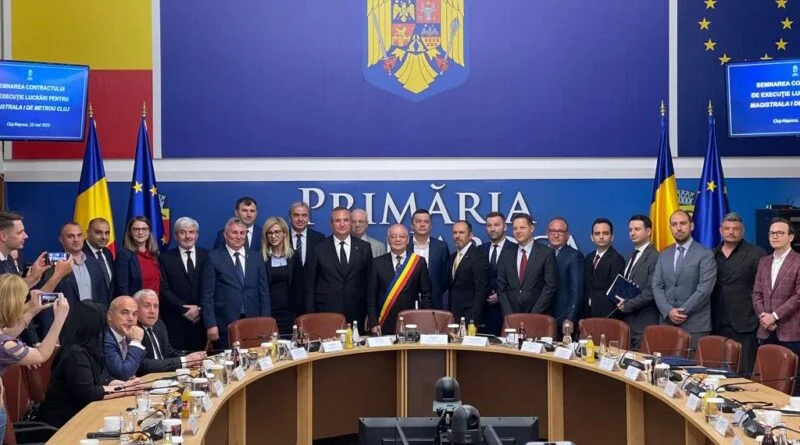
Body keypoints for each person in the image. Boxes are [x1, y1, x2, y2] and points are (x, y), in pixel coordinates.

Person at [39, 300, 141, 428]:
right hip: (63, 423)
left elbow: (104, 378)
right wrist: (125, 390)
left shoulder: (90, 349)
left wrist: (126, 385)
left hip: (82, 416)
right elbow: (89, 392)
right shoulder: (75, 353)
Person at [0, 275, 70, 438]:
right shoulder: (5, 346)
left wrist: (33, 310)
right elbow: (41, 354)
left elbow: (8, 333)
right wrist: (59, 319)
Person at [653, 210, 717, 350]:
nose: (679, 228)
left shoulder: (705, 254)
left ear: (691, 226)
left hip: (695, 326)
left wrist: (681, 312)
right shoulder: (664, 254)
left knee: (691, 364)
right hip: (667, 323)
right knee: (665, 363)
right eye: (674, 224)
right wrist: (668, 311)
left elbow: (704, 290)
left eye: (683, 223)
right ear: (670, 227)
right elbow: (657, 286)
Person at [711, 212, 765, 375]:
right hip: (716, 322)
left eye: (735, 229)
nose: (731, 232)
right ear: (721, 230)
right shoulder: (711, 254)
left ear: (742, 231)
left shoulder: (756, 253)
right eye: (727, 228)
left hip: (745, 323)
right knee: (718, 373)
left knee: (745, 373)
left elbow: (763, 288)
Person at [202, 218, 270, 348]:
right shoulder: (213, 257)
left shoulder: (256, 257)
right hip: (224, 323)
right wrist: (211, 324)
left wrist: (265, 321)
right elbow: (207, 295)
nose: (238, 237)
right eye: (234, 232)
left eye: (242, 233)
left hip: (253, 321)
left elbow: (264, 293)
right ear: (225, 234)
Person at [752, 217, 800, 386]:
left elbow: (798, 296)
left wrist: (775, 316)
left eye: (780, 233)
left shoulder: (798, 261)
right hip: (766, 330)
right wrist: (764, 316)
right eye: (772, 233)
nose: (775, 236)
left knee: (792, 383)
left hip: (791, 332)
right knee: (766, 380)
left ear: (791, 237)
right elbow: (756, 293)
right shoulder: (764, 262)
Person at [305, 207, 372, 324]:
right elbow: (310, 285)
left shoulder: (364, 247)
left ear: (351, 223)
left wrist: (371, 314)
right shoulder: (318, 249)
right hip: (326, 312)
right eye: (337, 220)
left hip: (357, 312)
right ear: (331, 224)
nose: (342, 224)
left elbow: (370, 283)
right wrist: (310, 315)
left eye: (346, 220)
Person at [367, 224, 432, 334]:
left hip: (411, 321)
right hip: (384, 321)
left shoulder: (418, 262)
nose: (398, 240)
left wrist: (425, 320)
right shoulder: (376, 263)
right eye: (393, 236)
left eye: (402, 236)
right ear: (388, 240)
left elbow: (426, 295)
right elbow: (371, 296)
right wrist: (373, 323)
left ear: (408, 240)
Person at [159, 217, 208, 351]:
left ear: (197, 235)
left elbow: (211, 287)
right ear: (176, 236)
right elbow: (164, 289)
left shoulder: (207, 256)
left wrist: (199, 308)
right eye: (182, 232)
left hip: (201, 321)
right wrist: (183, 308)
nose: (187, 236)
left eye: (191, 232)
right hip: (176, 321)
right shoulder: (164, 258)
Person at [497, 213, 557, 316]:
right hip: (511, 315)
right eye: (515, 228)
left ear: (532, 228)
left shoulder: (546, 253)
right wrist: (509, 314)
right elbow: (501, 287)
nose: (518, 231)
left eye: (522, 228)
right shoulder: (506, 254)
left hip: (538, 315)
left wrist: (534, 314)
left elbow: (550, 287)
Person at [134, 289, 205, 374]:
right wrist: (185, 360)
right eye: (147, 306)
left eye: (156, 306)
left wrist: (193, 359)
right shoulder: (132, 330)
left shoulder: (159, 324)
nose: (152, 311)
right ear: (135, 309)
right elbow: (144, 365)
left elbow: (168, 351)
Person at [616, 215, 660, 349]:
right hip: (627, 321)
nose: (632, 233)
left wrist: (627, 305)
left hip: (643, 322)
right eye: (630, 230)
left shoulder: (655, 256)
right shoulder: (631, 255)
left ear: (648, 231)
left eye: (637, 229)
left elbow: (651, 291)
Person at [478, 212, 516, 336]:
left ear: (505, 227)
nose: (492, 229)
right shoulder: (480, 250)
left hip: (507, 308)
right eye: (489, 225)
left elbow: (518, 280)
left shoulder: (515, 249)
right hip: (483, 310)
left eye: (496, 225)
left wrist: (500, 295)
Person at [261, 216, 299, 335]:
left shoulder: (294, 256)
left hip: (291, 312)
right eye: (270, 233)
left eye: (277, 232)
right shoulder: (261, 258)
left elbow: (299, 285)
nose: (273, 236)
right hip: (270, 312)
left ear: (284, 234)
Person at [546, 217, 584, 332]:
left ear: (567, 235)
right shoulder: (542, 253)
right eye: (552, 231)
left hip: (563, 318)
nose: (556, 235)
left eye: (560, 231)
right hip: (543, 315)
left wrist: (570, 318)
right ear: (547, 233)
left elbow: (576, 290)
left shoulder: (574, 256)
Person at [407, 209, 450, 310]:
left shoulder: (441, 247)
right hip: (408, 301)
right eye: (418, 221)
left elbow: (446, 276)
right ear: (412, 225)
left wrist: (435, 291)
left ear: (430, 226)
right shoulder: (404, 246)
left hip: (434, 302)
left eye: (426, 222)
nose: (422, 225)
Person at [583, 218, 625, 319]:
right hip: (587, 313)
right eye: (597, 233)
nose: (601, 237)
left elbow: (615, 294)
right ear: (592, 237)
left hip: (606, 315)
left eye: (605, 233)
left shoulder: (617, 259)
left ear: (612, 237)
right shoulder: (588, 257)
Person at [448, 220, 488, 325]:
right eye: (455, 232)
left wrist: (473, 319)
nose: (457, 236)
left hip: (470, 316)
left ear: (470, 235)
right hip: (453, 314)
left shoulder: (478, 257)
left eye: (461, 232)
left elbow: (481, 291)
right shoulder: (453, 257)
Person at [288, 202, 325, 314]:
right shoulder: (282, 238)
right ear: (290, 218)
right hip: (288, 300)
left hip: (313, 301)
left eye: (304, 215)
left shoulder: (319, 239)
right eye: (296, 215)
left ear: (309, 218)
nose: (300, 219)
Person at [115, 216, 160, 297]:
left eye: (144, 229)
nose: (140, 232)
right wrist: (131, 304)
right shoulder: (123, 255)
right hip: (135, 302)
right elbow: (122, 287)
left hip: (156, 302)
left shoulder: (154, 255)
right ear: (130, 232)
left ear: (149, 231)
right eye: (136, 229)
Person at [104, 296, 146, 380]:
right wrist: (136, 341)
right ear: (110, 316)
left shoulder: (129, 335)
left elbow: (140, 366)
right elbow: (124, 374)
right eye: (125, 313)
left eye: (134, 314)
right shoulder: (106, 339)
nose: (131, 319)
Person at [82, 218, 115, 306]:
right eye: (98, 232)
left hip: (109, 308)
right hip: (89, 309)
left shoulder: (108, 253)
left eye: (107, 233)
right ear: (88, 232)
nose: (103, 237)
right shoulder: (79, 254)